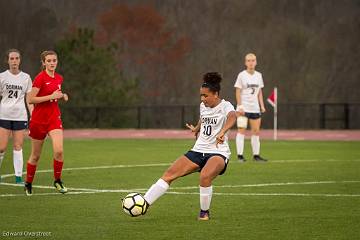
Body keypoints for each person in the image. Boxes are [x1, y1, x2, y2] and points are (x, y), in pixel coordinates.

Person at [143, 72, 237, 220]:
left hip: (218, 152)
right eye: (201, 95)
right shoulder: (203, 106)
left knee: (205, 176)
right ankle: (143, 203)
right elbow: (203, 118)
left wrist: (223, 131)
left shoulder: (226, 106)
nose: (202, 99)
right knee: (168, 174)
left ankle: (204, 213)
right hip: (198, 150)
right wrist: (197, 128)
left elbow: (233, 117)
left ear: (215, 94)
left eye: (205, 96)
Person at [24, 50, 69, 196]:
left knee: (59, 151)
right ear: (44, 63)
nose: (52, 63)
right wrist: (51, 96)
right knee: (35, 156)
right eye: (49, 61)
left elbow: (55, 95)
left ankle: (57, 180)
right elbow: (31, 99)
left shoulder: (59, 78)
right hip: (38, 120)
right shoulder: (39, 78)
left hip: (54, 118)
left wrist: (62, 95)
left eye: (54, 60)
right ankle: (28, 183)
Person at [0, 49, 33, 184]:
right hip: (4, 115)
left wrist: (33, 113)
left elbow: (29, 100)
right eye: (12, 58)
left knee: (18, 146)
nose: (14, 61)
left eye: (16, 58)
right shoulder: (2, 76)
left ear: (20, 60)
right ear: (7, 60)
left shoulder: (26, 78)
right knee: (1, 147)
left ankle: (18, 177)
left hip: (20, 116)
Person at [234, 53, 267, 162]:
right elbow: (238, 91)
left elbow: (259, 92)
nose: (251, 62)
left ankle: (256, 155)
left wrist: (262, 105)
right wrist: (240, 106)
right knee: (241, 130)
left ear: (256, 62)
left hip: (255, 108)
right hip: (243, 109)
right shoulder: (241, 75)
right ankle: (240, 155)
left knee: (256, 131)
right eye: (248, 60)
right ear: (245, 62)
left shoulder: (259, 75)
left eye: (253, 60)